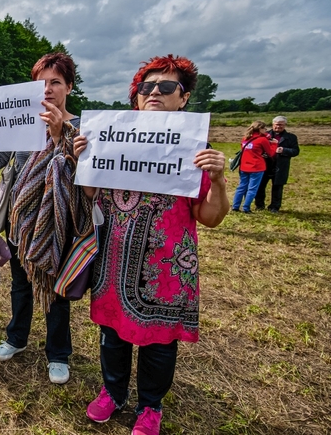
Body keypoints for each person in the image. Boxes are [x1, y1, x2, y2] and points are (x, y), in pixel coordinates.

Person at [74, 55, 229, 435]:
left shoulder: (193, 148)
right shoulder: (112, 137)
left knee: (159, 342)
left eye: (166, 87)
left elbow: (210, 216)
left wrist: (220, 181)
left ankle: (150, 406)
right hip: (114, 257)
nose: (155, 92)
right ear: (137, 97)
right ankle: (113, 391)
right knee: (112, 333)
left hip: (164, 265)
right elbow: (92, 193)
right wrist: (84, 159)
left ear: (184, 98)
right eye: (147, 87)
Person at [0, 52, 84, 385]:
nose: (48, 89)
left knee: (55, 291)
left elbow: (79, 175)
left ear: (69, 86)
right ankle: (17, 337)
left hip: (58, 223)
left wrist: (59, 135)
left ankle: (58, 353)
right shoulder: (23, 122)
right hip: (20, 223)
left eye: (55, 82)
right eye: (41, 83)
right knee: (21, 284)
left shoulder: (81, 126)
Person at [255, 115, 300, 213]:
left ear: (285, 125)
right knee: (260, 186)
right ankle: (259, 205)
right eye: (277, 124)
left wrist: (284, 150)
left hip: (281, 166)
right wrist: (263, 154)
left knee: (277, 187)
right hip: (265, 164)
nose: (278, 127)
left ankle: (274, 207)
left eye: (281, 125)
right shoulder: (264, 135)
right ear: (273, 124)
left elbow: (296, 151)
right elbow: (257, 148)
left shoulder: (291, 137)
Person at [231, 121, 276, 213]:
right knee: (252, 188)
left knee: (241, 187)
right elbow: (270, 153)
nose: (266, 130)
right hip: (257, 167)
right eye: (264, 129)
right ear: (260, 129)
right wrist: (275, 144)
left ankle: (235, 206)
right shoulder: (262, 140)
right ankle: (246, 208)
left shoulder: (245, 138)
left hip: (244, 166)